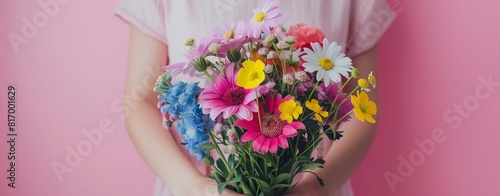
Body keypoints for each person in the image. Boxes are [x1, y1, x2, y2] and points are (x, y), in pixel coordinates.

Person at [115, 0, 395, 195]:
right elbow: (140, 100)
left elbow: (359, 106)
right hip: (190, 184)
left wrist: (315, 189)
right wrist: (197, 189)